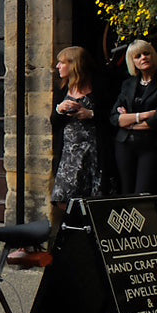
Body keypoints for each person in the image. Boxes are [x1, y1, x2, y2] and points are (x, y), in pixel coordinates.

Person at [51, 46, 105, 214]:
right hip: (69, 153)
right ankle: (74, 230)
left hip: (93, 151)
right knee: (62, 198)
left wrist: (91, 114)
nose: (58, 67)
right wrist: (60, 109)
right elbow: (54, 123)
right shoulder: (62, 89)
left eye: (62, 63)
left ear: (74, 64)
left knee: (92, 199)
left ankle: (86, 234)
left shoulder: (98, 87)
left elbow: (110, 117)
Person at [109, 39, 157, 197]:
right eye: (137, 56)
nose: (143, 58)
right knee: (126, 191)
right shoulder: (128, 84)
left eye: (146, 53)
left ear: (153, 55)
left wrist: (129, 120)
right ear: (132, 61)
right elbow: (115, 118)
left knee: (144, 193)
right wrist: (144, 115)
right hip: (124, 144)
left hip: (150, 145)